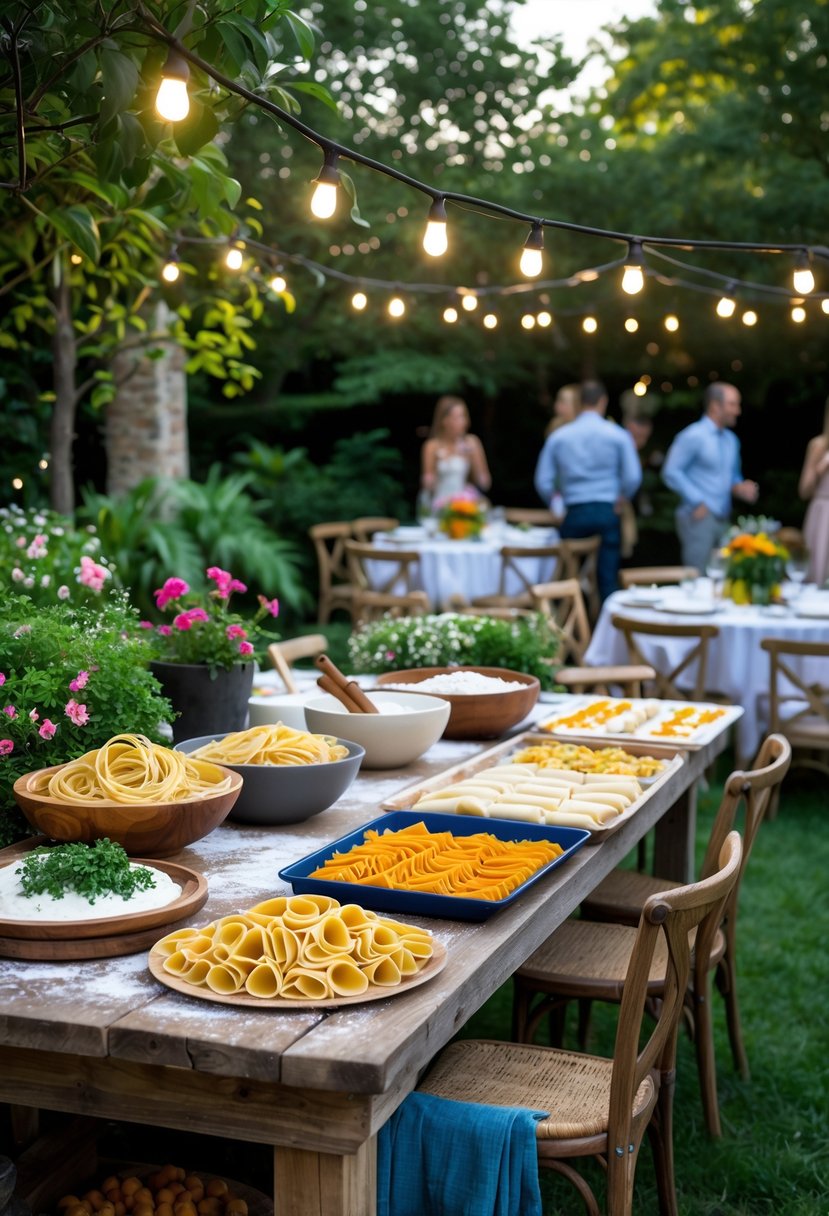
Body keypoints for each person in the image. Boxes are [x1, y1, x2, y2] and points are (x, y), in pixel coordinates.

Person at [534, 379, 642, 602]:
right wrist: (622, 498)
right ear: (603, 402)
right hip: (607, 511)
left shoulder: (560, 436)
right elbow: (633, 476)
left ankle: (568, 626)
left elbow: (543, 480)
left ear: (579, 402)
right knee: (607, 579)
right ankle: (606, 631)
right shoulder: (617, 434)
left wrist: (556, 502)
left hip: (574, 512)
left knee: (567, 577)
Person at [661, 382, 758, 574]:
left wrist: (740, 487)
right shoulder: (693, 435)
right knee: (697, 576)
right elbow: (671, 471)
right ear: (715, 406)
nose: (737, 411)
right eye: (732, 404)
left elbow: (732, 476)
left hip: (724, 518)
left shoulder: (731, 440)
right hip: (698, 517)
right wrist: (697, 501)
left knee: (724, 576)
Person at [420, 395, 491, 503]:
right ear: (444, 421)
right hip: (438, 504)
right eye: (457, 417)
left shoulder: (472, 442)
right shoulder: (432, 446)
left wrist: (473, 457)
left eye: (463, 416)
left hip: (464, 505)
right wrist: (437, 464)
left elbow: (485, 483)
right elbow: (427, 484)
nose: (463, 422)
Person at [798, 396, 829, 586]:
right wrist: (821, 468)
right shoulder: (819, 445)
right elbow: (804, 491)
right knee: (816, 577)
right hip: (822, 516)